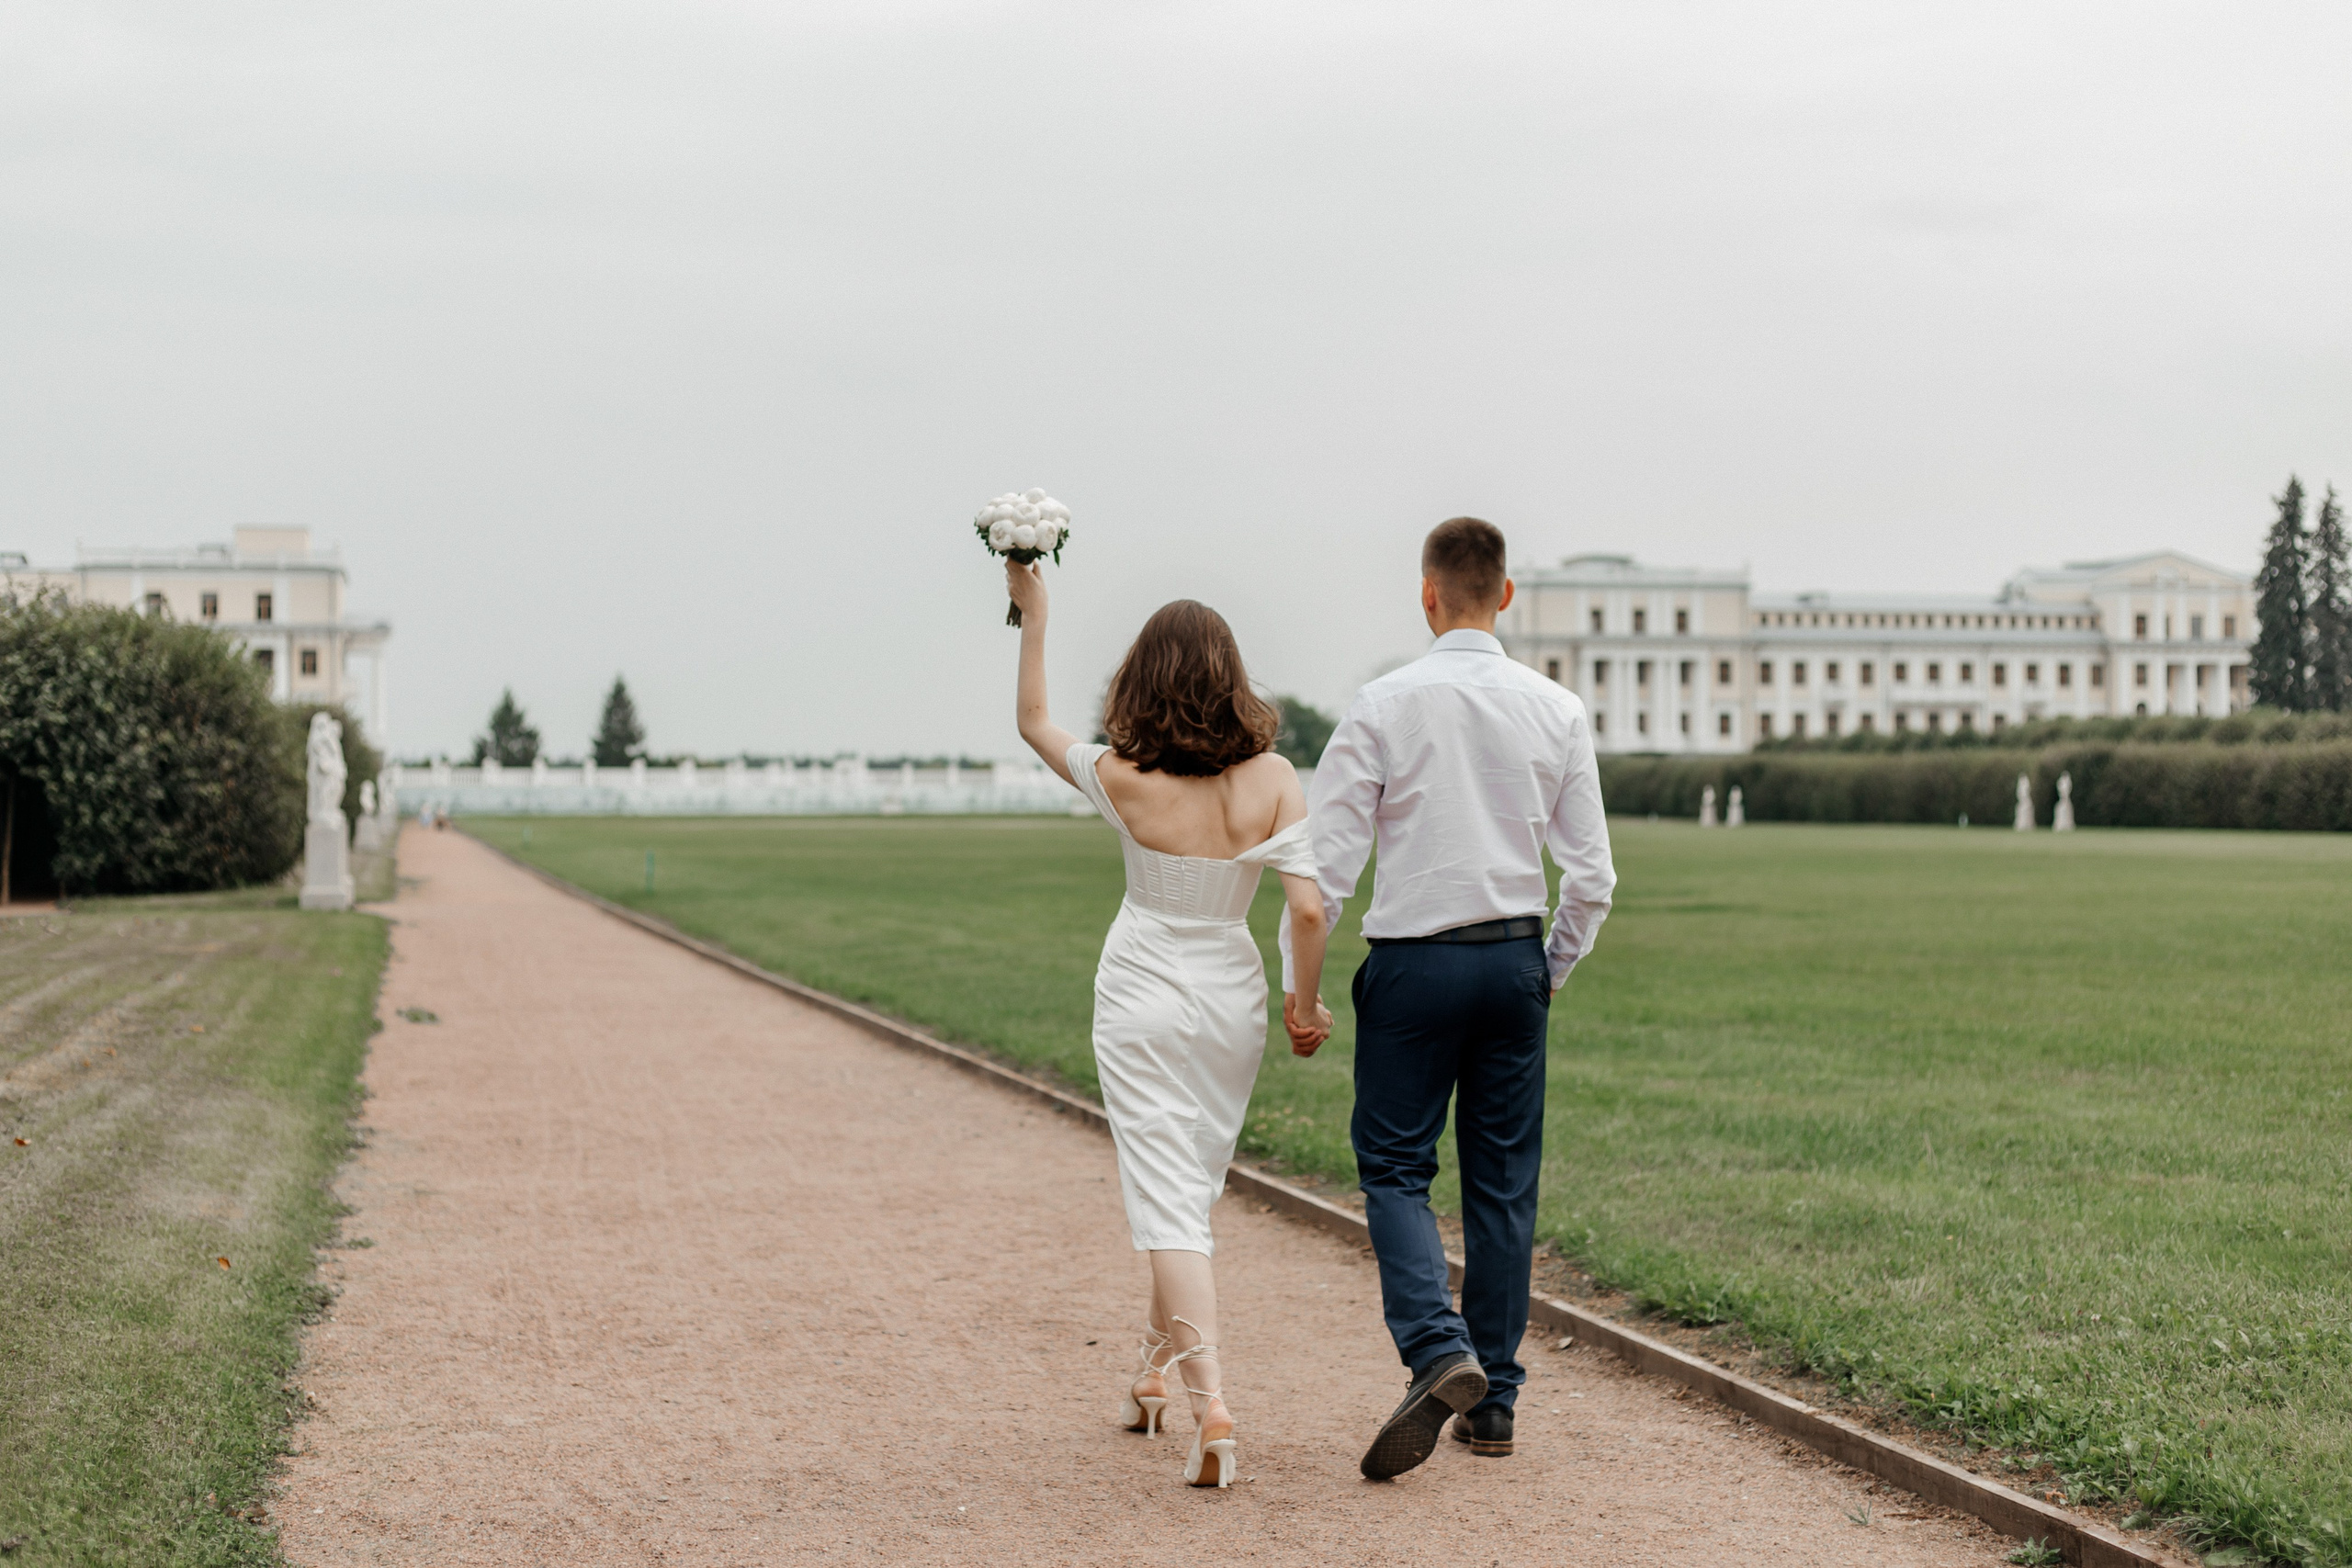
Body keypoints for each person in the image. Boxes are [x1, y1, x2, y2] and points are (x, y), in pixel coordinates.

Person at [1283, 516, 1614, 1480]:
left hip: (1414, 964)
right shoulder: (1556, 709)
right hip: (1513, 957)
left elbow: (1323, 873)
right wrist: (1544, 971)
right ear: (1504, 595)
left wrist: (1301, 995)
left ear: (1426, 595)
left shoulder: (1383, 704)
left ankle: (1437, 1348)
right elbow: (1591, 877)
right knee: (1502, 1184)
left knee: (1392, 1165)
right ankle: (1496, 1404)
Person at [1006, 558, 1333, 1490]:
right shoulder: (1272, 778)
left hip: (1141, 987)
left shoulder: (1121, 776)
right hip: (1228, 992)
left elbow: (1033, 722)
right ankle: (1150, 1376)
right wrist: (1304, 1006)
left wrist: (1035, 614)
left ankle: (1211, 1402)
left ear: (1139, 683)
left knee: (1168, 1198)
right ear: (1232, 680)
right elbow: (1307, 911)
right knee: (1182, 1189)